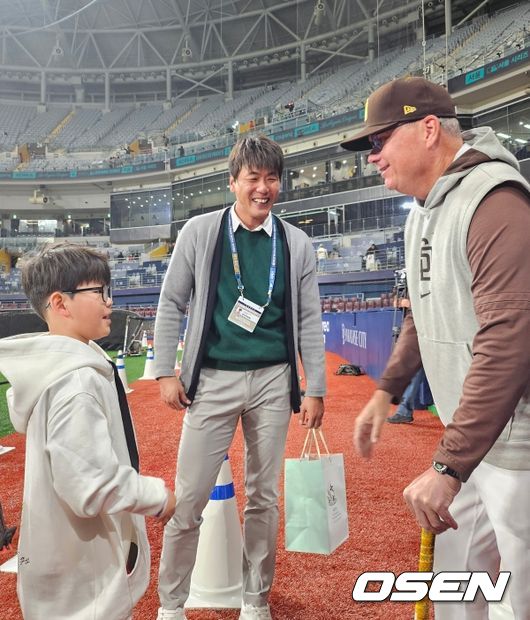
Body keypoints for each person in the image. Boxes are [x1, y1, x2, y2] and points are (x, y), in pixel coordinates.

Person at [344, 77, 530, 619]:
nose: (373, 158)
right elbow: (424, 314)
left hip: (518, 451)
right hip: (473, 444)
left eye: (380, 141)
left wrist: (448, 468)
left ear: (429, 130)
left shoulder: (496, 200)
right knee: (457, 593)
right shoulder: (421, 210)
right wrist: (386, 390)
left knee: (515, 604)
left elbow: (508, 340)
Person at [154, 135, 326, 620]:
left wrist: (316, 387)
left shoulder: (296, 243)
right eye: (253, 177)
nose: (263, 188)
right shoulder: (200, 231)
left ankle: (256, 599)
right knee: (188, 499)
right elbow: (172, 302)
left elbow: (309, 321)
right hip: (211, 380)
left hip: (274, 380)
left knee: (264, 498)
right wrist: (165, 370)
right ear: (233, 182)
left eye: (272, 178)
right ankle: (171, 605)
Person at [0, 243, 176, 620]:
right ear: (61, 304)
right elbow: (90, 485)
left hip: (65, 571)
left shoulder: (68, 368)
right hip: (83, 585)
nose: (109, 301)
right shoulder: (75, 382)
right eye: (99, 292)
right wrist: (157, 496)